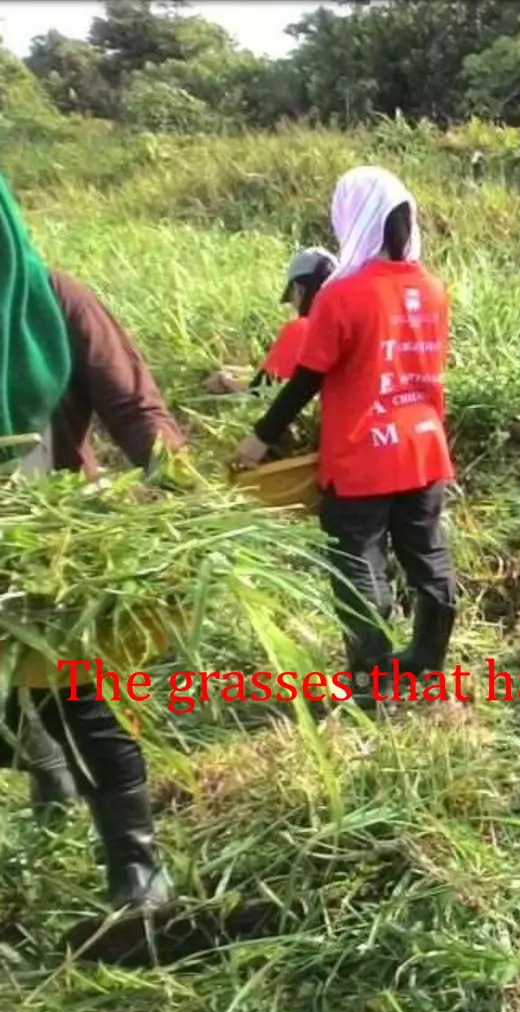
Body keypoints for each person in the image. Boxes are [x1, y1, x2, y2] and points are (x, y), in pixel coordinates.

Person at [2, 169, 185, 912]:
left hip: (54, 543)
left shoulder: (55, 302)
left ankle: (138, 872)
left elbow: (134, 406)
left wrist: (181, 496)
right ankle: (45, 765)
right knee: (23, 703)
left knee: (81, 697)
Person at [237, 168, 456, 700]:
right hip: (424, 449)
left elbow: (307, 379)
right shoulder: (431, 289)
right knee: (428, 558)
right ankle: (425, 664)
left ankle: (369, 680)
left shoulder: (342, 295)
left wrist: (260, 438)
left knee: (358, 562)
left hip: (362, 456)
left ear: (351, 218)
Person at [203, 247, 337, 426]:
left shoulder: (302, 328)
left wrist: (225, 381)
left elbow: (263, 390)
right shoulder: (349, 324)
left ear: (299, 289)